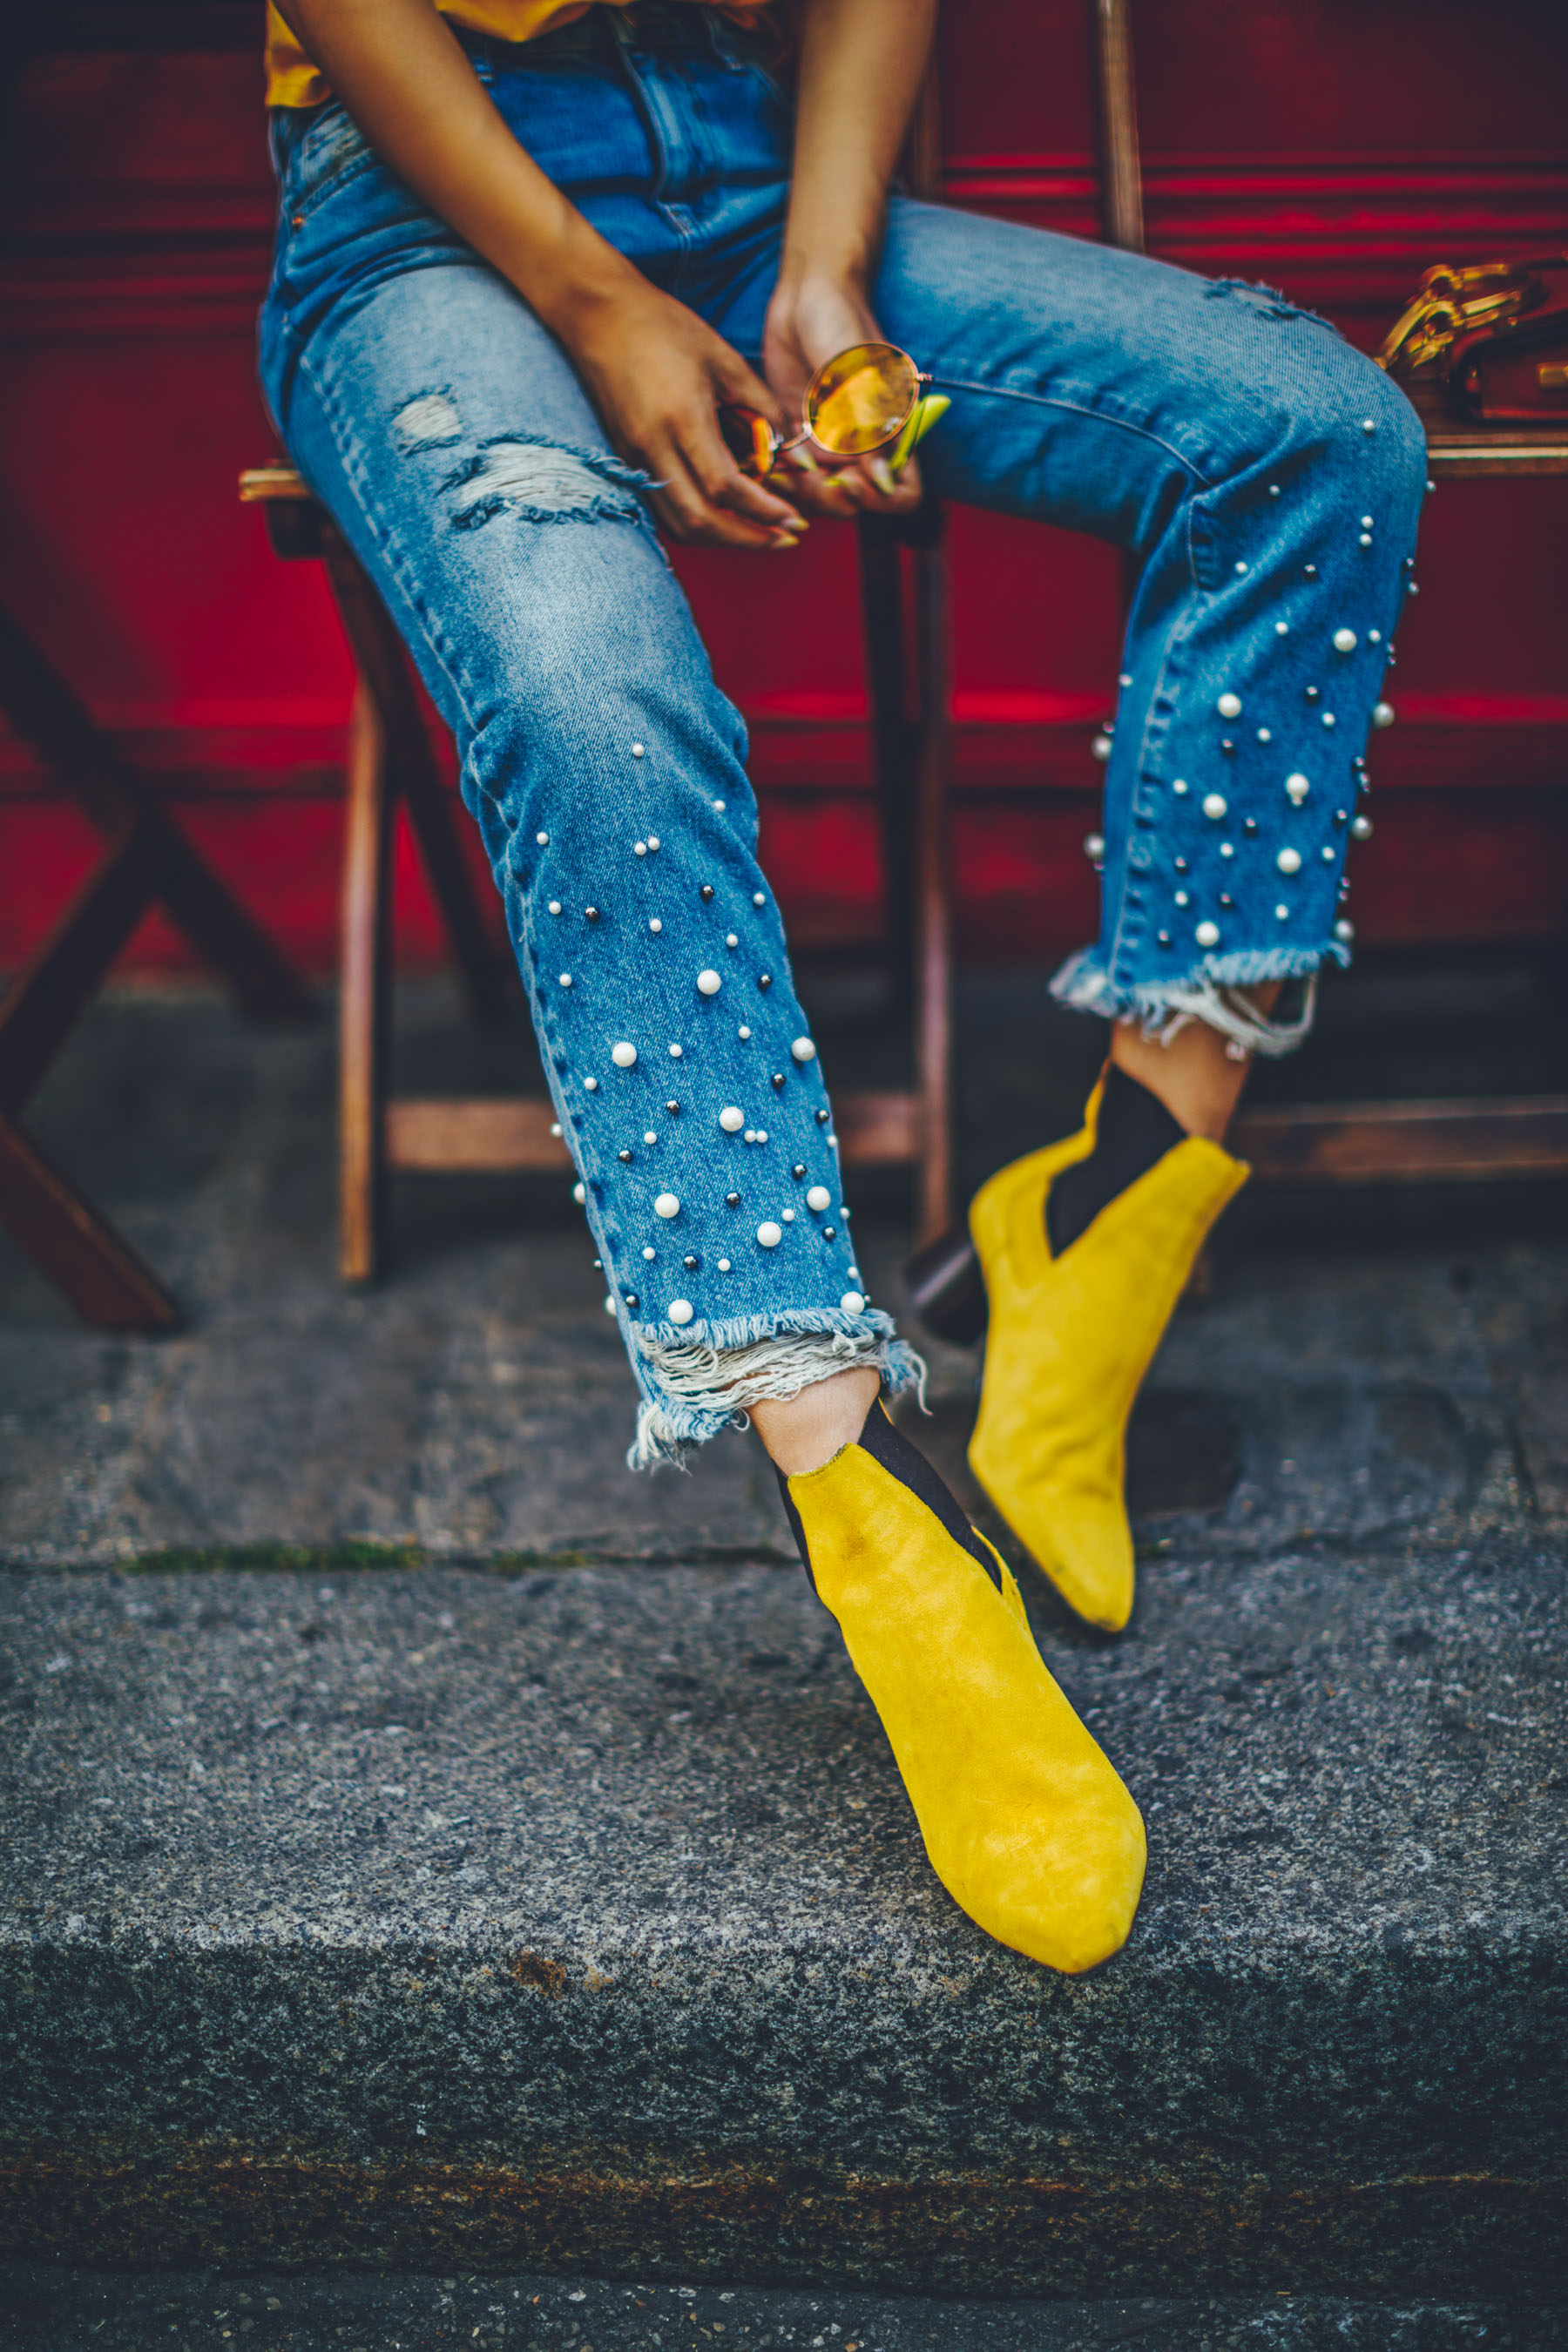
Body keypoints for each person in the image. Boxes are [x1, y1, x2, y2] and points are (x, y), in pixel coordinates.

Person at [259, 0, 1425, 1976]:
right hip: (432, 221)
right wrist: (591, 295)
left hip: (756, 157)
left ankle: (1111, 1206)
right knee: (586, 684)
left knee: (1314, 434)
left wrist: (822, 261)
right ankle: (875, 1502)